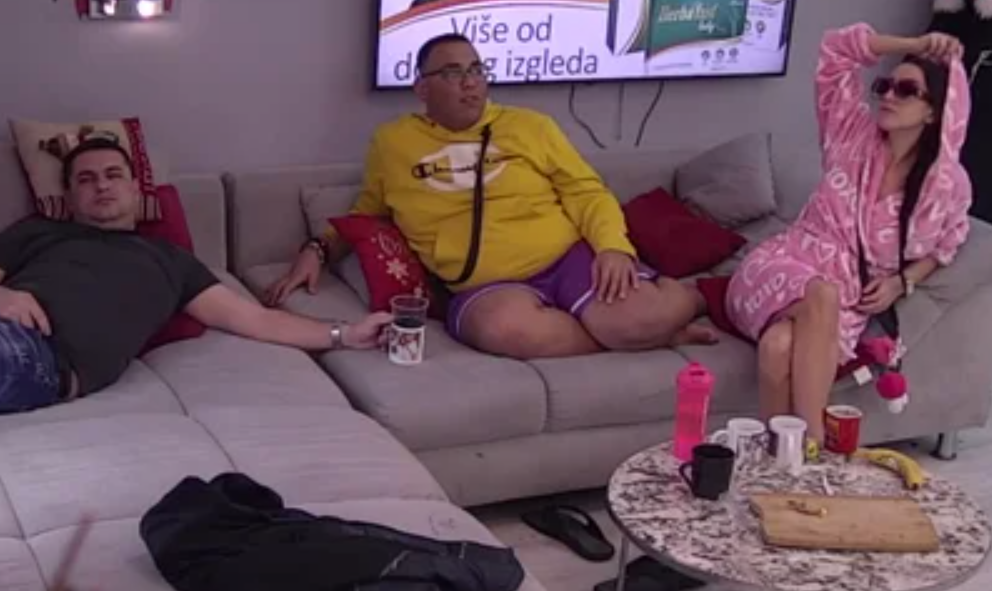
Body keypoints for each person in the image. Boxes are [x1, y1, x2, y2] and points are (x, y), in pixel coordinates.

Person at [0, 136, 391, 417]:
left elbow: (257, 321)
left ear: (135, 189)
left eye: (113, 175)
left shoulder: (171, 262)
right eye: (86, 179)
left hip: (37, 359)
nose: (102, 186)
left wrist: (345, 333)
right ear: (69, 196)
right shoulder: (36, 231)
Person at [265, 33, 715, 359]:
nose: (470, 82)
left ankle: (693, 297)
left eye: (476, 70)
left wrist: (613, 247)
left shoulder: (530, 126)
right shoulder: (392, 144)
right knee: (508, 332)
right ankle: (648, 337)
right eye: (453, 72)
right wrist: (317, 249)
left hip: (566, 258)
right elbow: (367, 212)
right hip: (486, 287)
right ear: (421, 88)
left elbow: (585, 191)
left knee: (636, 318)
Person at [725, 23, 972, 446]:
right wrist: (913, 44)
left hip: (846, 302)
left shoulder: (946, 186)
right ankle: (815, 444)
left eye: (906, 91)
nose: (889, 96)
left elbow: (951, 240)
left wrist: (902, 281)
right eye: (885, 86)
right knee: (821, 293)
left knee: (779, 346)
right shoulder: (850, 133)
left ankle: (776, 459)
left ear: (935, 111)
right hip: (780, 267)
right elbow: (836, 50)